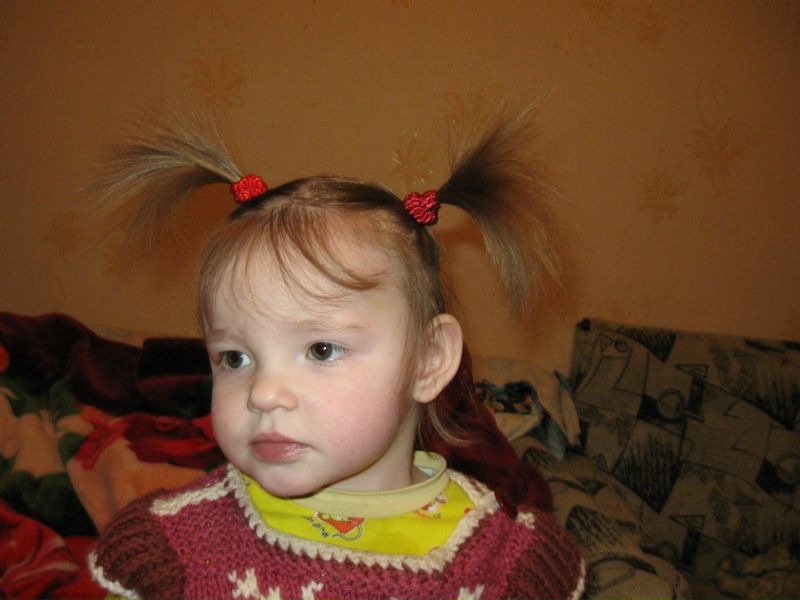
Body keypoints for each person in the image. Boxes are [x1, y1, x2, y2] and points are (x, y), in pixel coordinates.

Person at [88, 108, 585, 600]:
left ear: (428, 361)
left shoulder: (511, 565)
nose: (263, 393)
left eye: (321, 349)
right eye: (235, 358)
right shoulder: (173, 548)